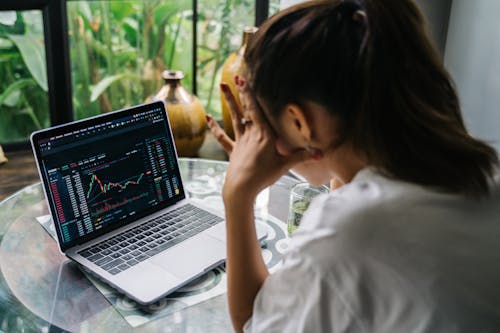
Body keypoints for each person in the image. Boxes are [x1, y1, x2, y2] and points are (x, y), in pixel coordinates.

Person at [206, 0, 500, 331]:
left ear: (299, 121)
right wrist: (335, 162)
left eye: (263, 123)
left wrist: (237, 192)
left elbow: (253, 324)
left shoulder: (349, 229)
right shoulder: (488, 172)